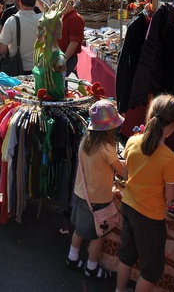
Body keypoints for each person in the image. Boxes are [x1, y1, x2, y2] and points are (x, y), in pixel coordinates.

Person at [116, 94, 174, 292]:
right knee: (151, 270)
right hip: (150, 218)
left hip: (127, 207)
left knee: (126, 256)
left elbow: (127, 175)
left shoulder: (132, 141)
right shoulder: (170, 158)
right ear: (173, 125)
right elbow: (171, 198)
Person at [66, 100, 125, 280]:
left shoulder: (85, 142)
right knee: (99, 234)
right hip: (99, 199)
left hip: (81, 194)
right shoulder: (108, 148)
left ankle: (72, 257)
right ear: (110, 128)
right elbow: (122, 172)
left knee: (79, 230)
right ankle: (91, 267)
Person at [0, 0, 42, 76]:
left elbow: (2, 49)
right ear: (35, 3)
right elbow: (49, 11)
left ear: (20, 1)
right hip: (38, 68)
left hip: (16, 68)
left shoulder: (11, 20)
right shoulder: (42, 19)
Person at [57, 0, 85, 77]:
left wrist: (63, 60)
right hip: (61, 57)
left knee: (60, 81)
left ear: (69, 4)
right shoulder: (64, 16)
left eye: (60, 4)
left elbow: (74, 42)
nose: (58, 7)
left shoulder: (75, 18)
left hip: (67, 58)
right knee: (60, 83)